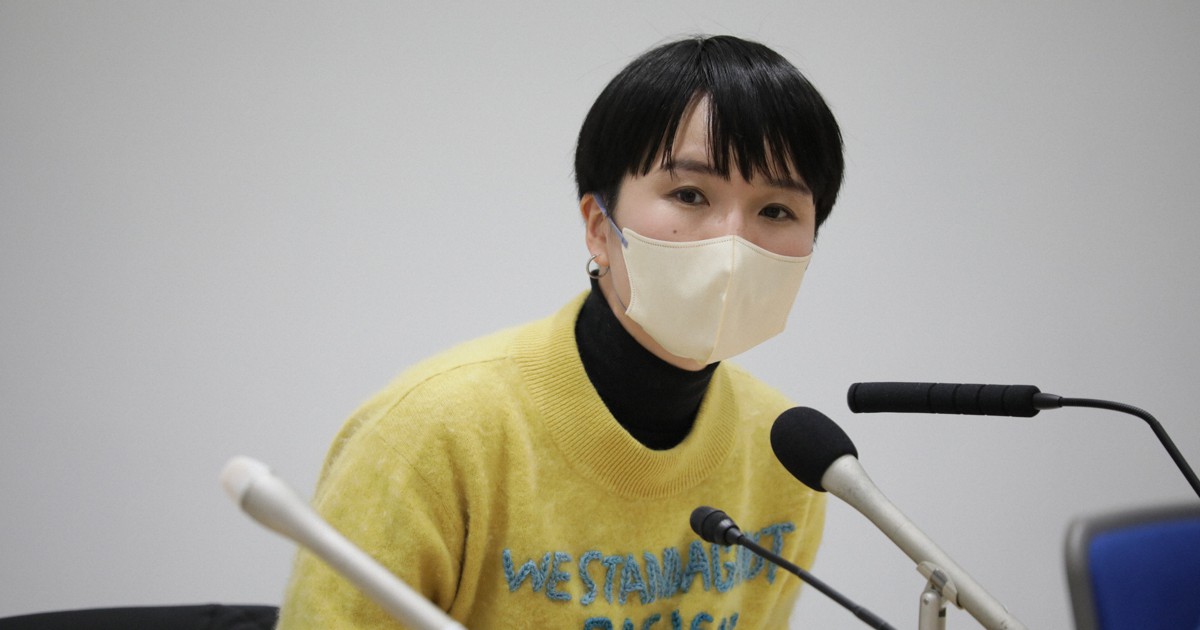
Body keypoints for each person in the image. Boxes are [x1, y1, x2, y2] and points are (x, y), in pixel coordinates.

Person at [276, 34, 844, 629]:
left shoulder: (790, 455)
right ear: (599, 226)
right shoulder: (429, 435)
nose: (732, 242)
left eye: (776, 211)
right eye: (689, 194)